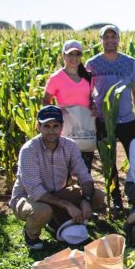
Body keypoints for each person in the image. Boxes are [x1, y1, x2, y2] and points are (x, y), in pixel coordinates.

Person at [10, 105, 105, 250]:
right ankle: (31, 235)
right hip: (28, 197)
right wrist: (67, 204)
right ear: (38, 126)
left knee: (96, 195)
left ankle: (56, 221)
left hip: (57, 194)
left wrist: (85, 200)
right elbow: (35, 190)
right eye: (46, 126)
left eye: (55, 126)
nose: (51, 130)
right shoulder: (29, 150)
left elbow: (83, 175)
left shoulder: (70, 146)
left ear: (62, 127)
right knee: (43, 210)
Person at [86, 24, 135, 210]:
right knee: (109, 163)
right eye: (106, 37)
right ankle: (115, 199)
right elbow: (86, 92)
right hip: (103, 121)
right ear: (101, 40)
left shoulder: (129, 62)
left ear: (119, 39)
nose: (110, 40)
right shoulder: (92, 64)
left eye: (113, 37)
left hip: (127, 119)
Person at [43, 39, 96, 170]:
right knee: (64, 170)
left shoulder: (88, 76)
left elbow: (91, 99)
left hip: (85, 128)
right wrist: (57, 113)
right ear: (63, 56)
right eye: (70, 54)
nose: (74, 58)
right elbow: (46, 101)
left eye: (77, 54)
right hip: (66, 128)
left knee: (85, 169)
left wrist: (93, 108)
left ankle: (85, 190)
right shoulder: (56, 78)